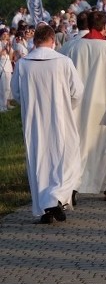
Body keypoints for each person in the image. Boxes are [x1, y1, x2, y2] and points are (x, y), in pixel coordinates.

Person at [11, 25, 83, 223]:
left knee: (39, 163)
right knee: (68, 161)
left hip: (34, 122)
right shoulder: (64, 62)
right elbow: (77, 92)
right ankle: (54, 199)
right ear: (53, 40)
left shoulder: (24, 64)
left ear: (34, 41)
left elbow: (16, 93)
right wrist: (69, 106)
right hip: (61, 119)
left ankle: (45, 209)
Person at [60, 11, 106, 201]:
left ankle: (74, 186)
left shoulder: (73, 47)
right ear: (104, 26)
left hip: (78, 107)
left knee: (79, 149)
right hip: (103, 106)